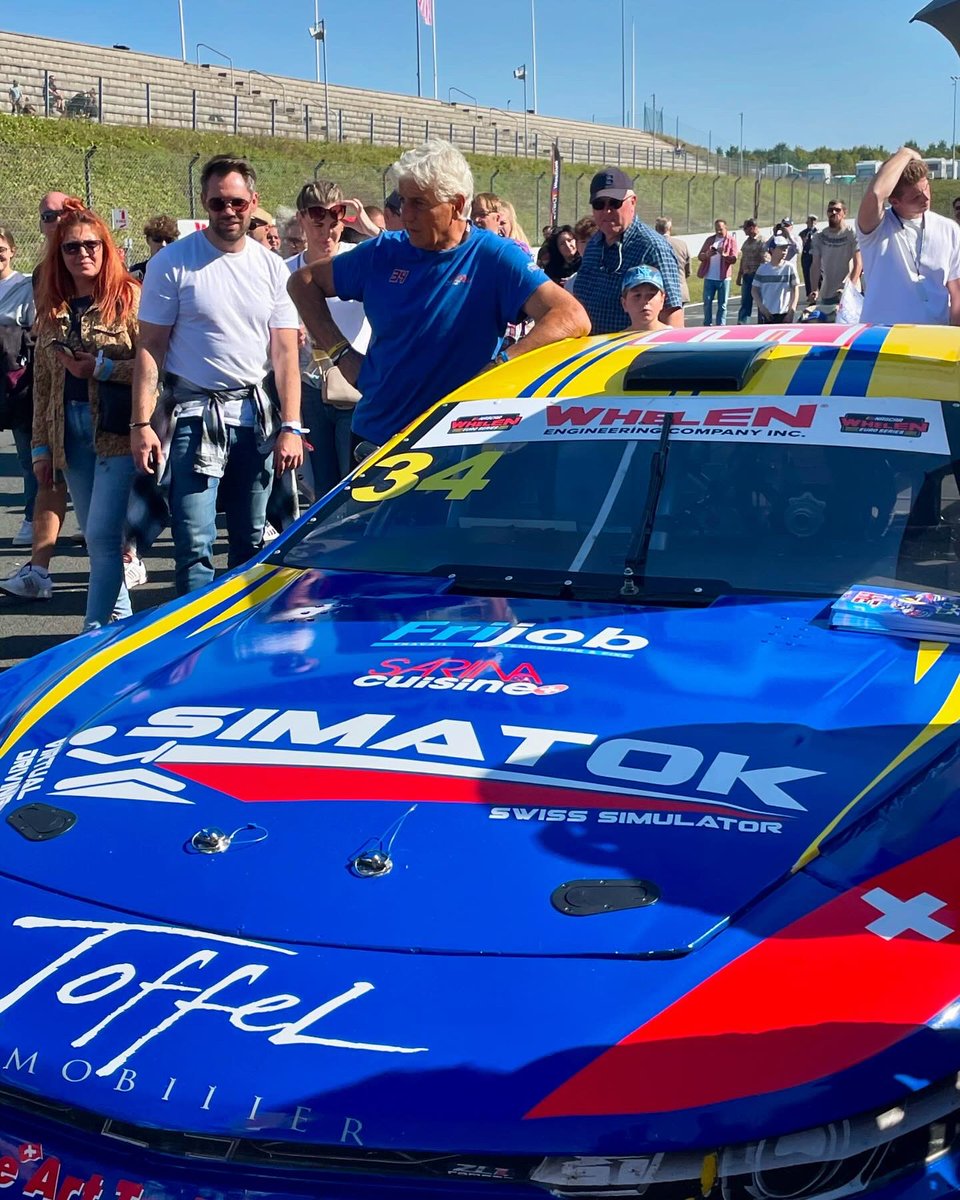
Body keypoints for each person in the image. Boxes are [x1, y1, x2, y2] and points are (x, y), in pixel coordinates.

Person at [287, 139, 589, 451]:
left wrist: (500, 364)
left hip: (456, 444)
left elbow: (571, 316)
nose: (406, 214)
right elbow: (303, 282)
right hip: (377, 438)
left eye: (419, 203)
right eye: (403, 201)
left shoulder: (494, 256)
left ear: (456, 205)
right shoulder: (383, 251)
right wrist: (341, 354)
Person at [130, 155, 304, 596]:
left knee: (250, 539)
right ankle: (192, 630)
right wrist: (141, 424)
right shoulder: (173, 262)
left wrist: (291, 426)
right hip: (194, 413)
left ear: (253, 203)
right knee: (194, 541)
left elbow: (285, 352)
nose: (228, 211)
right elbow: (150, 346)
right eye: (217, 203)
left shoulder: (270, 267)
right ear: (205, 204)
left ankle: (239, 626)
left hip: (254, 416)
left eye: (237, 203)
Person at [31, 208, 141, 631]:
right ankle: (121, 624)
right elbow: (43, 384)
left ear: (106, 248)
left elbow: (156, 368)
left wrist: (102, 368)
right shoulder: (52, 307)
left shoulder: (129, 298)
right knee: (100, 539)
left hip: (116, 430)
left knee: (101, 536)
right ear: (59, 254)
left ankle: (93, 629)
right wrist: (41, 447)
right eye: (71, 247)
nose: (82, 254)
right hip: (68, 432)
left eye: (91, 245)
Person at [1, 192, 83, 602]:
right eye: (46, 216)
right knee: (47, 475)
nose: (53, 221)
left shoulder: (97, 260)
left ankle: (126, 559)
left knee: (101, 495)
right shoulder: (41, 274)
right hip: (47, 389)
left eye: (60, 214)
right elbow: (43, 334)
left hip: (95, 392)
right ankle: (38, 571)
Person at [286, 180, 372, 497]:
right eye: (318, 224)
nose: (327, 234)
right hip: (309, 386)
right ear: (302, 220)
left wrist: (369, 228)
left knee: (354, 482)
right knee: (321, 487)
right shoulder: (285, 270)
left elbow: (410, 258)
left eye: (334, 224)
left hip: (354, 383)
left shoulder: (359, 258)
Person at [857, 148, 960, 326]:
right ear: (894, 201)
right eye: (916, 196)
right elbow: (876, 193)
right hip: (882, 335)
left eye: (926, 188)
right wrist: (906, 153)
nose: (925, 198)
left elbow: (957, 292)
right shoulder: (876, 227)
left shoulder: (949, 229)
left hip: (933, 335)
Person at [573, 167, 684, 333]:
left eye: (615, 203)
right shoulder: (593, 245)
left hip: (634, 347)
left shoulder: (652, 247)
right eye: (599, 204)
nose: (607, 211)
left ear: (633, 202)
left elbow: (672, 314)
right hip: (594, 346)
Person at [0, 226, 36, 547]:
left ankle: (32, 518)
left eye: (1, 249)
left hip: (16, 381)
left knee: (28, 457)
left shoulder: (24, 287)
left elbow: (34, 329)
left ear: (12, 251)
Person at [807, 200, 862, 319]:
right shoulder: (819, 236)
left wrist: (849, 289)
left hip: (849, 292)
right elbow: (815, 265)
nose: (834, 212)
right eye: (830, 210)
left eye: (837, 210)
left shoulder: (852, 234)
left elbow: (858, 264)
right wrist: (814, 289)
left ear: (844, 213)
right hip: (828, 292)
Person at [697, 219, 738, 326]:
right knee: (707, 302)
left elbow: (734, 259)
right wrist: (707, 255)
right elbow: (700, 256)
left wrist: (724, 255)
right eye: (716, 229)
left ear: (726, 228)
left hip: (724, 278)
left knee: (722, 304)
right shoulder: (710, 240)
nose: (718, 231)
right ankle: (707, 324)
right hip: (709, 277)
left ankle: (721, 325)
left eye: (720, 229)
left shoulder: (731, 240)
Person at [751, 236, 799, 324]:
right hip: (767, 313)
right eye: (781, 248)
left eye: (786, 248)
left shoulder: (789, 268)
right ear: (772, 250)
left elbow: (795, 290)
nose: (785, 251)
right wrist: (761, 307)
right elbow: (754, 290)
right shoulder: (763, 269)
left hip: (784, 313)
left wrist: (791, 310)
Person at [128, 215, 179, 282]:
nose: (163, 244)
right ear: (148, 240)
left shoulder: (180, 272)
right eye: (157, 239)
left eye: (168, 240)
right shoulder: (137, 271)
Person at [736, 217, 767, 324]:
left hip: (758, 276)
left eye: (745, 228)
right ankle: (742, 323)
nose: (744, 231)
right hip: (747, 276)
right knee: (745, 302)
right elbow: (743, 258)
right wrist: (739, 275)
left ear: (752, 228)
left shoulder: (762, 241)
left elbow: (765, 260)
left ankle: (762, 322)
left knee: (760, 301)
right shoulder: (746, 242)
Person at [620, 265, 670, 333]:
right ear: (624, 304)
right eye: (637, 295)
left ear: (662, 300)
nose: (644, 301)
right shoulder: (616, 339)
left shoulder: (674, 337)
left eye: (651, 295)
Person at [655, 217, 690, 304]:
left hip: (661, 290)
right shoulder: (682, 244)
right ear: (670, 229)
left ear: (656, 229)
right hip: (680, 289)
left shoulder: (653, 244)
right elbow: (687, 269)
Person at [799, 215, 818, 294]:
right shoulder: (803, 233)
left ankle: (818, 291)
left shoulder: (818, 232)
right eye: (810, 221)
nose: (812, 223)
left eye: (814, 221)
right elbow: (802, 242)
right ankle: (809, 293)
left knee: (818, 274)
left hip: (815, 254)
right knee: (807, 274)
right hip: (806, 254)